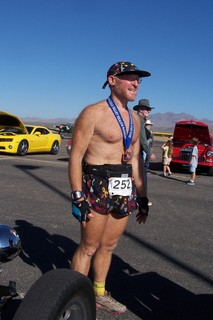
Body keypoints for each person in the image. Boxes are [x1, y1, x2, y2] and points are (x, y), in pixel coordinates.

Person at [68, 61, 151, 313]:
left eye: (138, 79)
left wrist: (143, 196)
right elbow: (75, 156)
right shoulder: (92, 113)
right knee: (89, 246)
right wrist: (77, 196)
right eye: (129, 78)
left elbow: (136, 161)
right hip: (97, 183)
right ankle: (74, 296)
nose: (135, 82)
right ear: (112, 80)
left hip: (123, 185)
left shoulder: (135, 119)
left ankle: (99, 292)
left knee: (109, 246)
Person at [133, 99, 156, 206]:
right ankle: (141, 200)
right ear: (141, 110)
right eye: (147, 109)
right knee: (141, 177)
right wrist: (149, 152)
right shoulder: (139, 120)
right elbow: (142, 138)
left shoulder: (136, 119)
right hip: (136, 154)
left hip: (134, 153)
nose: (148, 111)